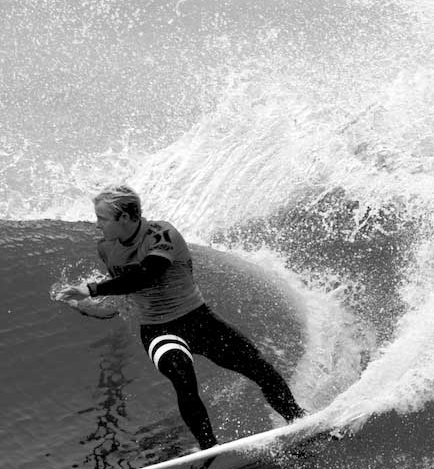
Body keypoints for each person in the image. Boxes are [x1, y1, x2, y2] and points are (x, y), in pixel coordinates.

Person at [57, 185, 305, 449]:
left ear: (125, 218)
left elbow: (147, 274)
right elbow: (125, 288)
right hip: (157, 329)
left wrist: (91, 289)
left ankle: (299, 420)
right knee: (183, 378)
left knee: (259, 368)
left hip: (197, 321)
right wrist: (94, 308)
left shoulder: (163, 234)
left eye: (102, 218)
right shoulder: (106, 248)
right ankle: (210, 450)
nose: (97, 225)